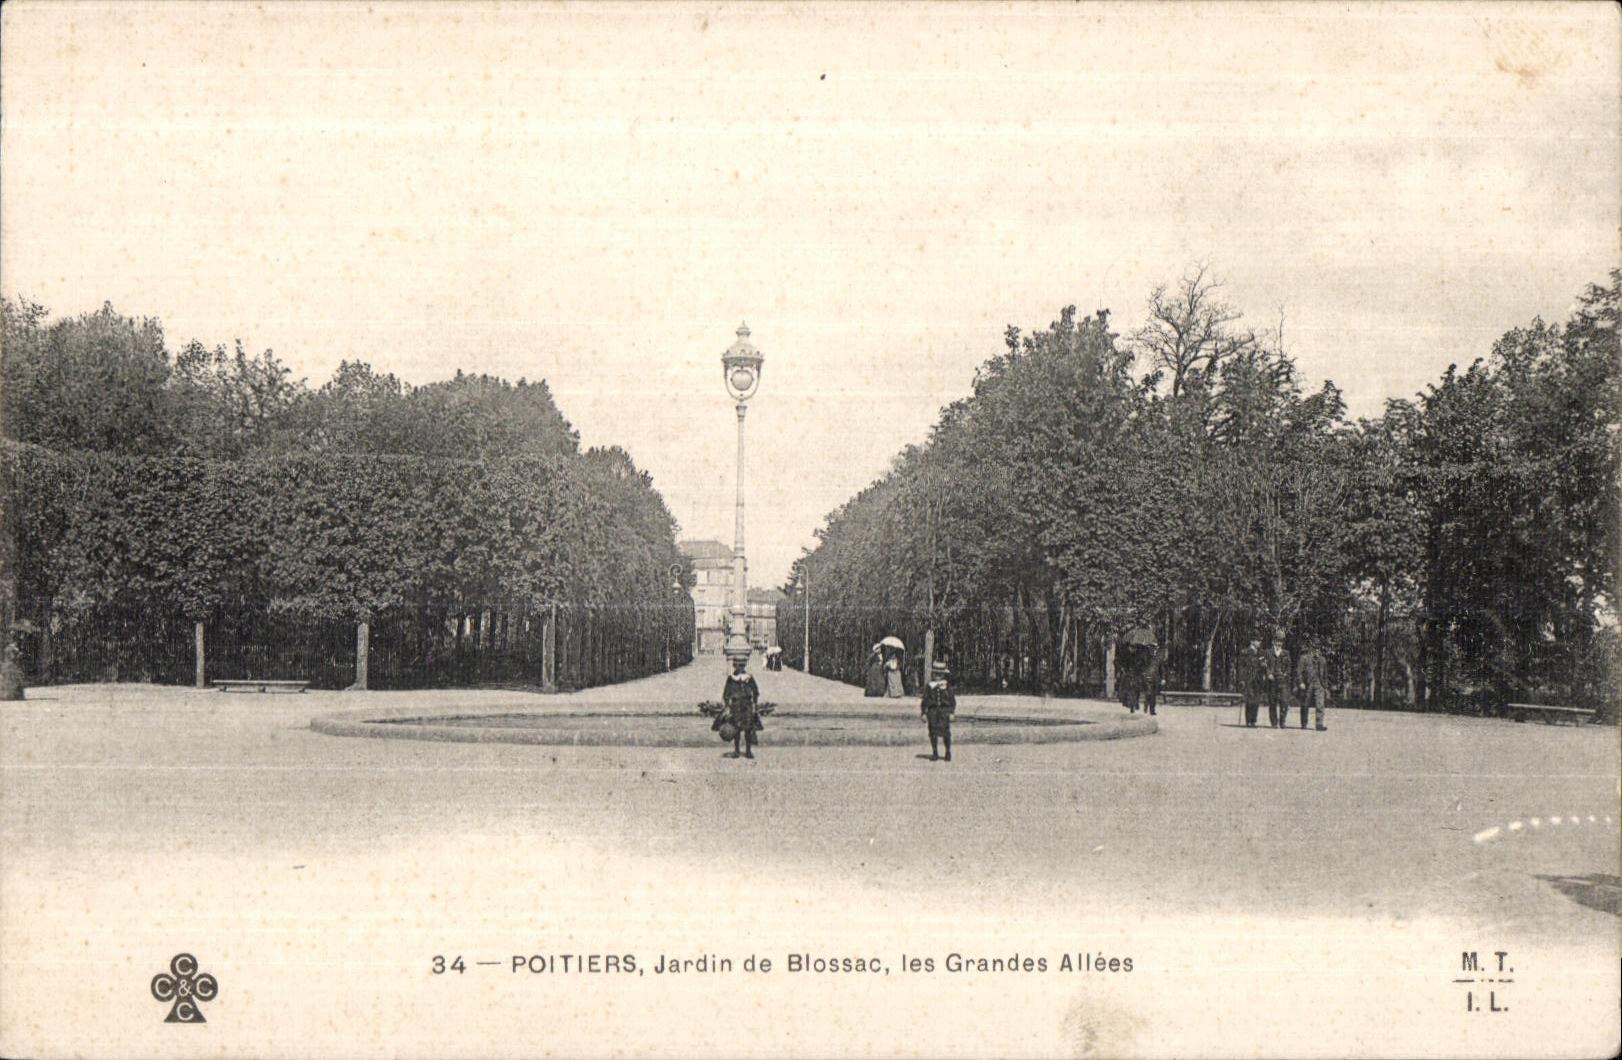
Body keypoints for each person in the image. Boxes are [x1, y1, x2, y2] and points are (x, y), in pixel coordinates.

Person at [720, 655, 763, 759]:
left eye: (742, 665)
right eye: (738, 665)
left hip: (747, 705)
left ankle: (748, 751)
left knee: (748, 729)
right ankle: (737, 751)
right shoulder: (731, 678)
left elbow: (756, 691)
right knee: (736, 730)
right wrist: (727, 707)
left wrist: (755, 704)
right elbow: (726, 693)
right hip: (735, 706)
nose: (740, 668)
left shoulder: (749, 678)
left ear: (745, 666)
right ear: (734, 665)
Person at [920, 661, 956, 761]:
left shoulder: (947, 686)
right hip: (932, 711)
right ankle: (935, 752)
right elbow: (925, 700)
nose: (938, 676)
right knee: (933, 732)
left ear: (944, 675)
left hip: (944, 711)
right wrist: (923, 713)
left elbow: (952, 701)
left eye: (940, 674)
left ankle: (947, 751)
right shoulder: (929, 686)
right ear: (933, 674)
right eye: (936, 673)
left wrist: (952, 712)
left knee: (946, 732)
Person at [1297, 639, 1329, 731]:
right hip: (1307, 684)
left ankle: (1319, 724)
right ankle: (1304, 723)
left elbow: (1325, 675)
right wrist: (1301, 682)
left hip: (1319, 684)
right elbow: (1299, 672)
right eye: (1314, 648)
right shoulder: (1304, 658)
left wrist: (1325, 687)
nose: (1316, 650)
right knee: (1305, 704)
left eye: (1318, 648)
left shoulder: (1322, 660)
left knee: (1320, 704)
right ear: (1311, 648)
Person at [1237, 637, 1267, 727]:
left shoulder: (1261, 652)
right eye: (1258, 640)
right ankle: (1248, 721)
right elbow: (1241, 667)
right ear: (1252, 641)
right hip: (1248, 679)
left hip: (1258, 679)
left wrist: (1264, 667)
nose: (1259, 642)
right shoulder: (1245, 652)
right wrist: (1241, 679)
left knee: (1256, 700)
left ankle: (1254, 720)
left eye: (1260, 641)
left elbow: (1264, 665)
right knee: (1250, 700)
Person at [1265, 634, 1291, 728]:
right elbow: (1265, 665)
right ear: (1273, 641)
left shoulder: (1286, 653)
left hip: (1282, 681)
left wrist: (1285, 674)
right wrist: (1268, 674)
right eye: (1277, 641)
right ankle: (1274, 723)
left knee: (1284, 702)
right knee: (1272, 702)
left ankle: (1282, 722)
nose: (1279, 643)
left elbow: (1289, 667)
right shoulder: (1268, 652)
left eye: (1281, 641)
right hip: (1272, 680)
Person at [1142, 643, 1167, 716]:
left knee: (1153, 695)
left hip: (1155, 678)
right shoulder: (1146, 657)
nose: (1153, 650)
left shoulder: (1158, 658)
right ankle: (1146, 705)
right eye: (1152, 649)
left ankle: (1152, 709)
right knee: (1149, 692)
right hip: (1147, 678)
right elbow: (1142, 666)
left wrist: (1163, 678)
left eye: (1155, 649)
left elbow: (1162, 669)